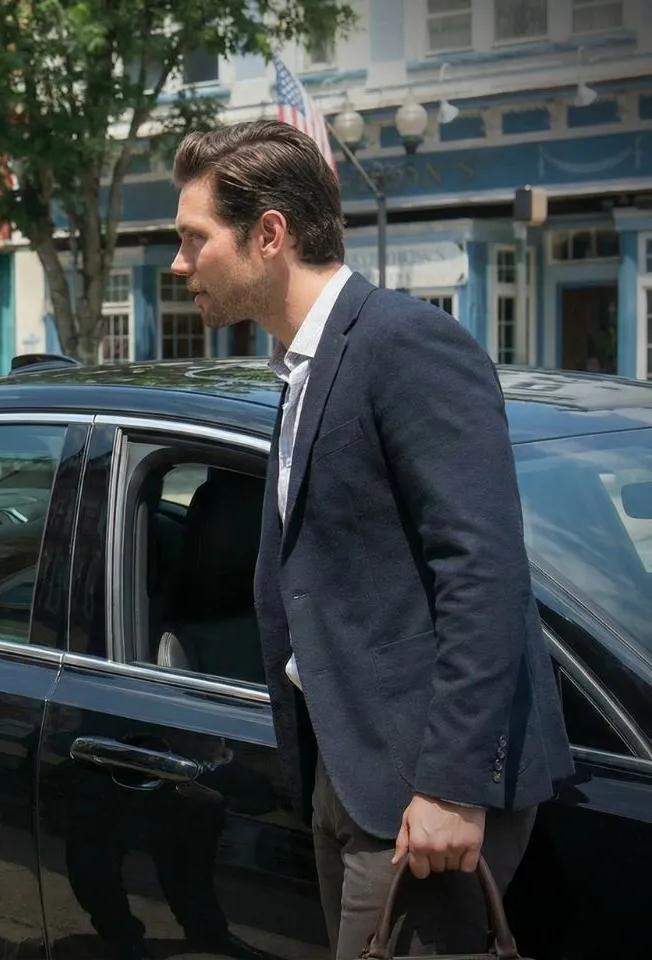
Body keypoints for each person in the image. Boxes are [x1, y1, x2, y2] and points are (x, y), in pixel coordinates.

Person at [168, 119, 574, 958]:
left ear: (268, 235)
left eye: (192, 239)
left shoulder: (405, 345)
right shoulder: (304, 368)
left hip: (425, 792)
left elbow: (484, 570)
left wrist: (453, 788)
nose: (178, 264)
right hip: (349, 771)